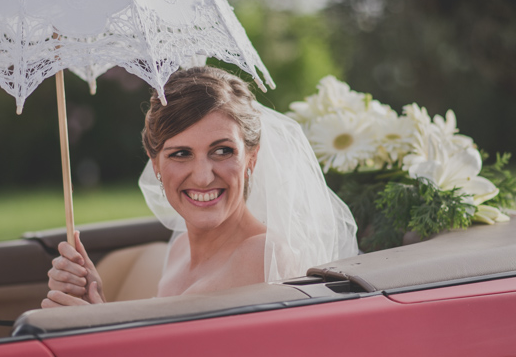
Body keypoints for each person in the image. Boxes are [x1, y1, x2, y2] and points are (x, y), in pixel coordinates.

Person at [43, 66, 357, 307]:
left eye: (222, 151)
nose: (203, 176)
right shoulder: (179, 249)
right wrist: (94, 300)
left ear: (252, 157)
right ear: (156, 165)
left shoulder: (263, 255)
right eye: (181, 154)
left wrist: (98, 323)